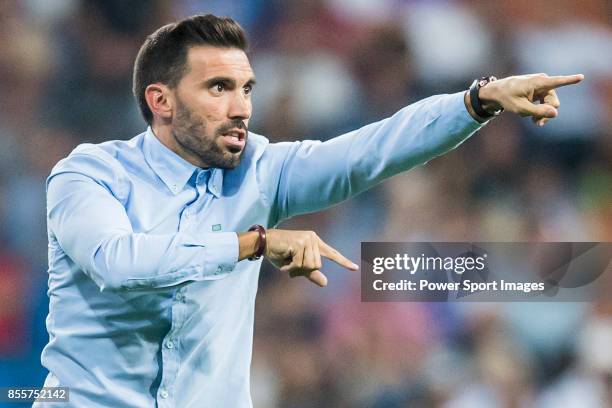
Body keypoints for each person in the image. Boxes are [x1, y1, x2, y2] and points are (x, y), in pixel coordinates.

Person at [36, 14, 583, 408]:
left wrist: (475, 103)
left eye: (247, 88)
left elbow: (368, 154)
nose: (241, 108)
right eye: (219, 88)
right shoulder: (88, 175)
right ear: (161, 101)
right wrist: (253, 243)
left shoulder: (260, 168)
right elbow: (117, 262)